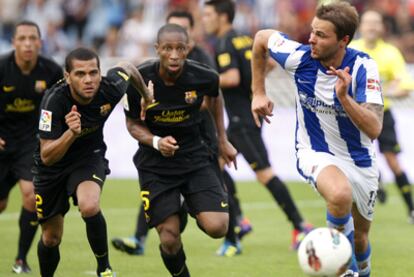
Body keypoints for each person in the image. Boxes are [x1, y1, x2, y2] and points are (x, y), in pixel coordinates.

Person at [251, 2, 383, 277]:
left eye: (321, 35)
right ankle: (345, 272)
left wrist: (344, 97)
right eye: (312, 31)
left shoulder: (363, 67)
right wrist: (258, 92)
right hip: (315, 152)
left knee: (360, 240)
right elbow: (262, 38)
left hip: (359, 160)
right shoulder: (299, 57)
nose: (311, 38)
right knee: (339, 194)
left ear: (343, 40)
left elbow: (374, 129)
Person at [111, 10, 247, 258]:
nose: (174, 55)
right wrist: (156, 141)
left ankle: (186, 204)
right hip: (156, 163)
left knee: (218, 227)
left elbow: (216, 98)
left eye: (179, 49)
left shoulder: (204, 75)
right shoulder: (140, 80)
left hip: (194, 156)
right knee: (170, 238)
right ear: (157, 49)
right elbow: (132, 125)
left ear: (188, 49)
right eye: (167, 48)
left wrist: (222, 140)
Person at [202, 0, 312, 251]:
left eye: (208, 14)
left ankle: (300, 225)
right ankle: (240, 220)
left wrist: (202, 82)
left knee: (263, 173)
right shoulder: (244, 39)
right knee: (215, 165)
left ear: (222, 17)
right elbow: (268, 62)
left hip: (242, 120)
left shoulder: (223, 42)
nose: (205, 19)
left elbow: (231, 77)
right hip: (248, 115)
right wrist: (256, 87)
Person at [32, 47, 150, 277]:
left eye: (93, 72)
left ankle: (104, 268)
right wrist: (70, 133)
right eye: (80, 74)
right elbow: (47, 155)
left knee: (89, 205)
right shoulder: (53, 102)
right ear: (67, 77)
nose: (89, 80)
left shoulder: (110, 88)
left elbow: (127, 67)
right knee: (51, 238)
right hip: (52, 168)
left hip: (89, 156)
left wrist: (146, 95)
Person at [0, 20, 63, 274]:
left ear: (40, 42)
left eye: (32, 39)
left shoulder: (51, 71)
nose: (27, 44)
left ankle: (20, 259)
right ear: (14, 42)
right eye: (22, 38)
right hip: (2, 142)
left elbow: (61, 103)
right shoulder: (2, 68)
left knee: (31, 196)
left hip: (31, 143)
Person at [350, 10, 414, 223]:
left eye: (376, 23)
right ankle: (373, 184)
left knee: (393, 160)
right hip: (356, 115)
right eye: (368, 23)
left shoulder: (390, 53)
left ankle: (411, 207)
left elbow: (405, 86)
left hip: (382, 114)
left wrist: (377, 92)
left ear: (382, 28)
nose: (372, 27)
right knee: (357, 159)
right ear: (360, 26)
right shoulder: (352, 50)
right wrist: (384, 87)